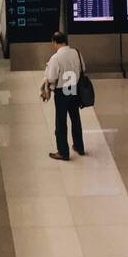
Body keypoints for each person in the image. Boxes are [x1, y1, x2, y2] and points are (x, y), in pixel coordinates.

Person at [41, 31, 86, 162]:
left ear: (55, 42)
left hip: (62, 91)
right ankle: (79, 146)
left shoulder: (56, 58)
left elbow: (52, 77)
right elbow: (83, 67)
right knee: (75, 118)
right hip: (74, 88)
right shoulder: (76, 52)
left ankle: (63, 152)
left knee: (61, 122)